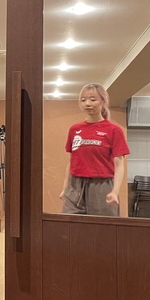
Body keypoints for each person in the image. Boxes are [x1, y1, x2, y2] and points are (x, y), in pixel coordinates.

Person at [59, 83, 129, 216]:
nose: (87, 104)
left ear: (103, 101)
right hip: (75, 184)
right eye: (83, 100)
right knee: (70, 224)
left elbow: (119, 165)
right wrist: (65, 188)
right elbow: (71, 161)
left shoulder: (113, 130)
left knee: (101, 225)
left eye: (92, 99)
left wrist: (115, 191)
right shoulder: (75, 129)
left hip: (102, 184)